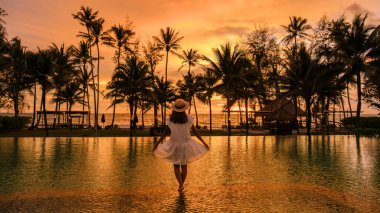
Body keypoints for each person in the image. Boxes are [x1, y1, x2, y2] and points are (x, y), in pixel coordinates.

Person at [153, 99, 209, 192]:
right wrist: (203, 142)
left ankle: (180, 185)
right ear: (184, 109)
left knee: (176, 166)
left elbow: (165, 133)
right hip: (185, 144)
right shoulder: (189, 119)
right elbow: (195, 132)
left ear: (175, 109)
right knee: (184, 166)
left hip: (174, 144)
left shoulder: (171, 120)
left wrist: (157, 143)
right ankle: (181, 185)